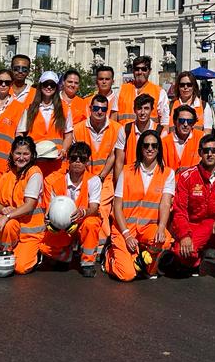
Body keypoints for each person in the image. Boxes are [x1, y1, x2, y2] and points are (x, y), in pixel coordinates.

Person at [161, 133, 215, 282]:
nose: (210, 154)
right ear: (200, 152)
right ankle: (194, 261)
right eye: (206, 151)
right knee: (182, 252)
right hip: (197, 226)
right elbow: (180, 211)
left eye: (213, 150)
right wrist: (184, 235)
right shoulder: (187, 176)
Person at [105, 131, 175, 281]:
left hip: (147, 228)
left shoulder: (168, 173)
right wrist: (127, 235)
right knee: (127, 275)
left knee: (166, 240)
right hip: (124, 228)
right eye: (146, 145)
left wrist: (162, 228)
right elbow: (117, 206)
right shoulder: (126, 171)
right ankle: (109, 256)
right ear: (140, 148)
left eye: (154, 146)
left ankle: (141, 258)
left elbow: (165, 203)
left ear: (158, 149)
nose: (150, 149)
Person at [41, 142, 103, 276]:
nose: (78, 162)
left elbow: (94, 207)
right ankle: (64, 255)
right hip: (62, 223)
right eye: (74, 158)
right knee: (43, 248)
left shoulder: (94, 180)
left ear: (87, 161)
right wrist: (50, 219)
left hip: (83, 221)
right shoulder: (56, 182)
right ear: (68, 160)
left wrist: (83, 212)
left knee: (92, 224)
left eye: (82, 159)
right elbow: (49, 207)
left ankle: (88, 263)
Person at [0, 136, 48, 274]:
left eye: (26, 154)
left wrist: (6, 216)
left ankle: (36, 254)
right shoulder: (7, 175)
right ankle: (7, 251)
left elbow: (29, 205)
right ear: (12, 154)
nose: (21, 158)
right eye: (18, 153)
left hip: (29, 233)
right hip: (12, 228)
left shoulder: (34, 173)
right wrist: (3, 209)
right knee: (8, 226)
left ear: (32, 155)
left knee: (20, 268)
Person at [71, 94, 121, 253]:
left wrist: (101, 176)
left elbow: (114, 154)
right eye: (96, 108)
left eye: (103, 109)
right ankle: (80, 240)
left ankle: (100, 246)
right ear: (90, 109)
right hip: (83, 177)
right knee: (79, 209)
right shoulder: (78, 128)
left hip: (104, 178)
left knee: (102, 208)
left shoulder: (116, 128)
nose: (100, 112)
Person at [18, 71, 73, 175]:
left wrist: (64, 149)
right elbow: (20, 133)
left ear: (56, 87)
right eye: (45, 84)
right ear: (40, 86)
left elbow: (69, 134)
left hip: (56, 162)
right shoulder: (29, 108)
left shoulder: (65, 109)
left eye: (52, 85)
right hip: (34, 161)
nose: (49, 87)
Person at [113, 93, 162, 178]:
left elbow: (162, 161)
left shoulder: (160, 131)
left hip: (152, 178)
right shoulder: (125, 130)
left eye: (146, 108)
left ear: (152, 110)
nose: (142, 112)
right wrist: (119, 188)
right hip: (130, 178)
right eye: (139, 108)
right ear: (134, 110)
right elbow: (119, 162)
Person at [116, 56, 169, 127]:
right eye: (137, 69)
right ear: (133, 71)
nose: (140, 72)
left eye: (144, 69)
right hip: (126, 136)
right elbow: (113, 118)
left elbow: (165, 122)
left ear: (149, 71)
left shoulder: (159, 92)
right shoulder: (121, 90)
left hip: (149, 136)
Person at [162, 105, 202, 170]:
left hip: (194, 179)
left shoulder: (201, 138)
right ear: (175, 122)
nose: (186, 124)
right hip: (172, 179)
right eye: (182, 120)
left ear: (193, 123)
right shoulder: (164, 142)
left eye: (189, 121)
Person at [170, 71, 207, 136]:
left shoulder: (204, 106)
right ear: (178, 87)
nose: (185, 87)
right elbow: (166, 129)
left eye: (189, 85)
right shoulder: (170, 105)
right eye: (182, 85)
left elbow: (207, 133)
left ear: (194, 87)